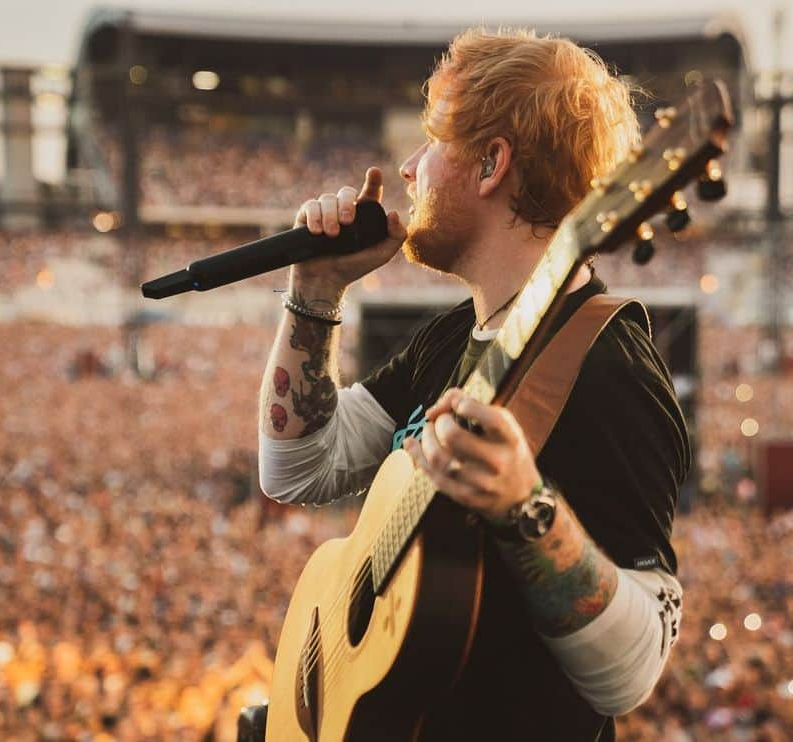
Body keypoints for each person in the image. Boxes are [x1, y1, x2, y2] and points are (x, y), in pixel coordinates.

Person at [257, 28, 690, 741]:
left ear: (492, 162)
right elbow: (296, 468)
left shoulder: (612, 369)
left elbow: (632, 673)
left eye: (431, 140)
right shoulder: (455, 335)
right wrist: (315, 290)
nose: (407, 167)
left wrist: (528, 507)